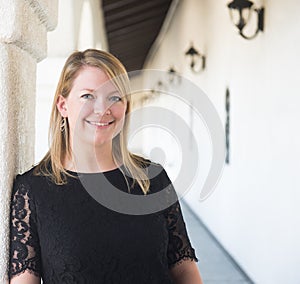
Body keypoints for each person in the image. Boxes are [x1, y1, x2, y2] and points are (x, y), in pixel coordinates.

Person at [8, 49, 203, 284]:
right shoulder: (32, 191)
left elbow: (183, 269)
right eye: (88, 96)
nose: (102, 109)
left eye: (115, 97)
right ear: (63, 105)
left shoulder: (152, 178)